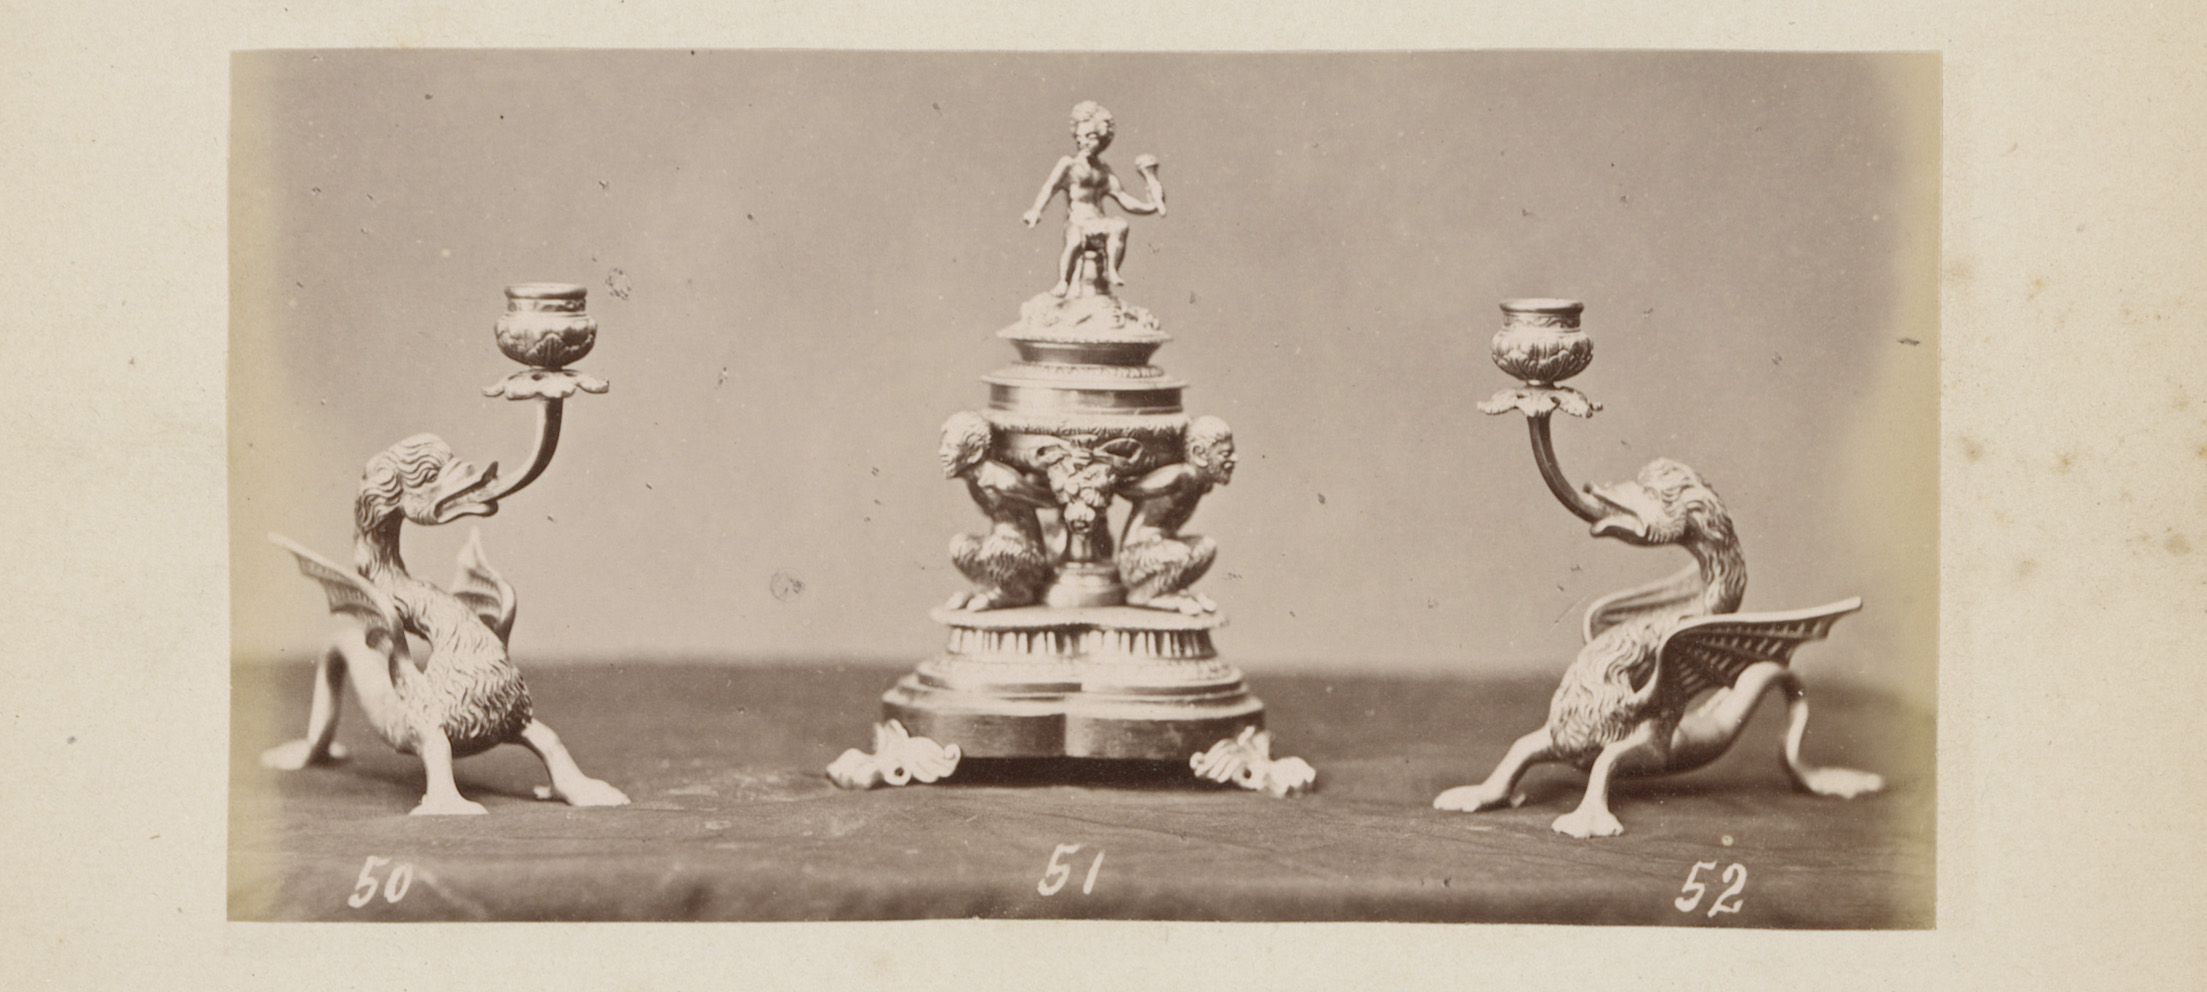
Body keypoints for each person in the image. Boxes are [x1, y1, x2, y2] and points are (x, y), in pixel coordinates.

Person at [1021, 101, 1165, 297]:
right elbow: (1049, 187)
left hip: (1098, 220)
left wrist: (1150, 206)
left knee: (1119, 226)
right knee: (1074, 241)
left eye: (1090, 137)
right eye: (1080, 137)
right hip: (1077, 220)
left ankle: (1111, 270)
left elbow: (1123, 198)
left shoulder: (1103, 171)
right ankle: (1063, 281)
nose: (1084, 142)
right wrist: (1036, 210)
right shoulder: (1069, 165)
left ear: (1102, 139)